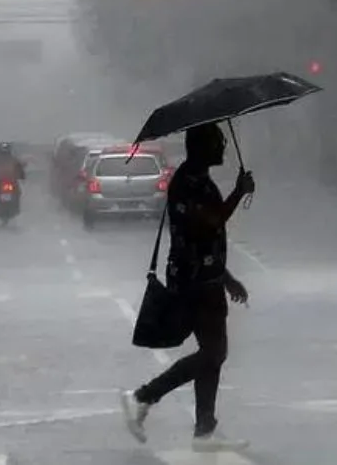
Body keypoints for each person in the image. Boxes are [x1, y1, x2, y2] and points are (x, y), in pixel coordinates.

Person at [120, 122, 256, 452]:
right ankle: (143, 397)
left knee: (214, 354)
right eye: (216, 142)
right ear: (200, 148)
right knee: (214, 353)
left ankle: (204, 430)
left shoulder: (200, 180)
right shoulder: (184, 184)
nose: (222, 148)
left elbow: (207, 239)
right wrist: (239, 192)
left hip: (207, 278)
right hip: (192, 282)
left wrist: (227, 278)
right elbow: (208, 223)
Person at [0, 142, 26, 211]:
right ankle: (13, 208)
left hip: (4, 182)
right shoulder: (13, 160)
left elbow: (20, 169)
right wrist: (22, 176)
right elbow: (20, 170)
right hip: (6, 182)